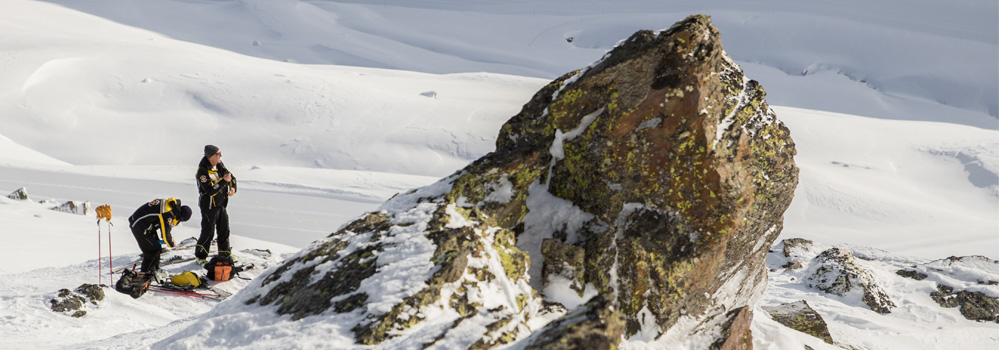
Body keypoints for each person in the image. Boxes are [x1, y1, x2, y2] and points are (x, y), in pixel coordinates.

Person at [128, 198, 193, 276]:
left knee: (156, 246)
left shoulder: (172, 206)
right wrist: (172, 243)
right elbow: (165, 235)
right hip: (138, 225)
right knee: (151, 250)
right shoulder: (168, 213)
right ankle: (145, 275)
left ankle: (154, 270)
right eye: (180, 220)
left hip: (145, 224)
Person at [195, 145, 237, 264]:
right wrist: (224, 181)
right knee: (208, 231)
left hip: (221, 203)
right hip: (209, 205)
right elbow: (210, 190)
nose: (221, 156)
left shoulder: (219, 164)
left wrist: (232, 188)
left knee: (224, 229)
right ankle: (200, 256)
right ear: (211, 156)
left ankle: (225, 254)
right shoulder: (202, 171)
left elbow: (231, 177)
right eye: (218, 154)